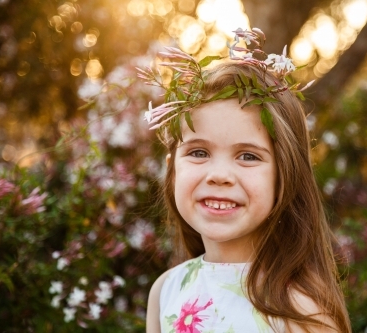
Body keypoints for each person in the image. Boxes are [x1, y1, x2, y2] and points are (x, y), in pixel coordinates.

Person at [142, 28, 351, 333]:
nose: (220, 176)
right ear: (172, 168)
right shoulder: (166, 292)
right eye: (199, 152)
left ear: (285, 175)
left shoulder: (303, 315)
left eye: (248, 156)